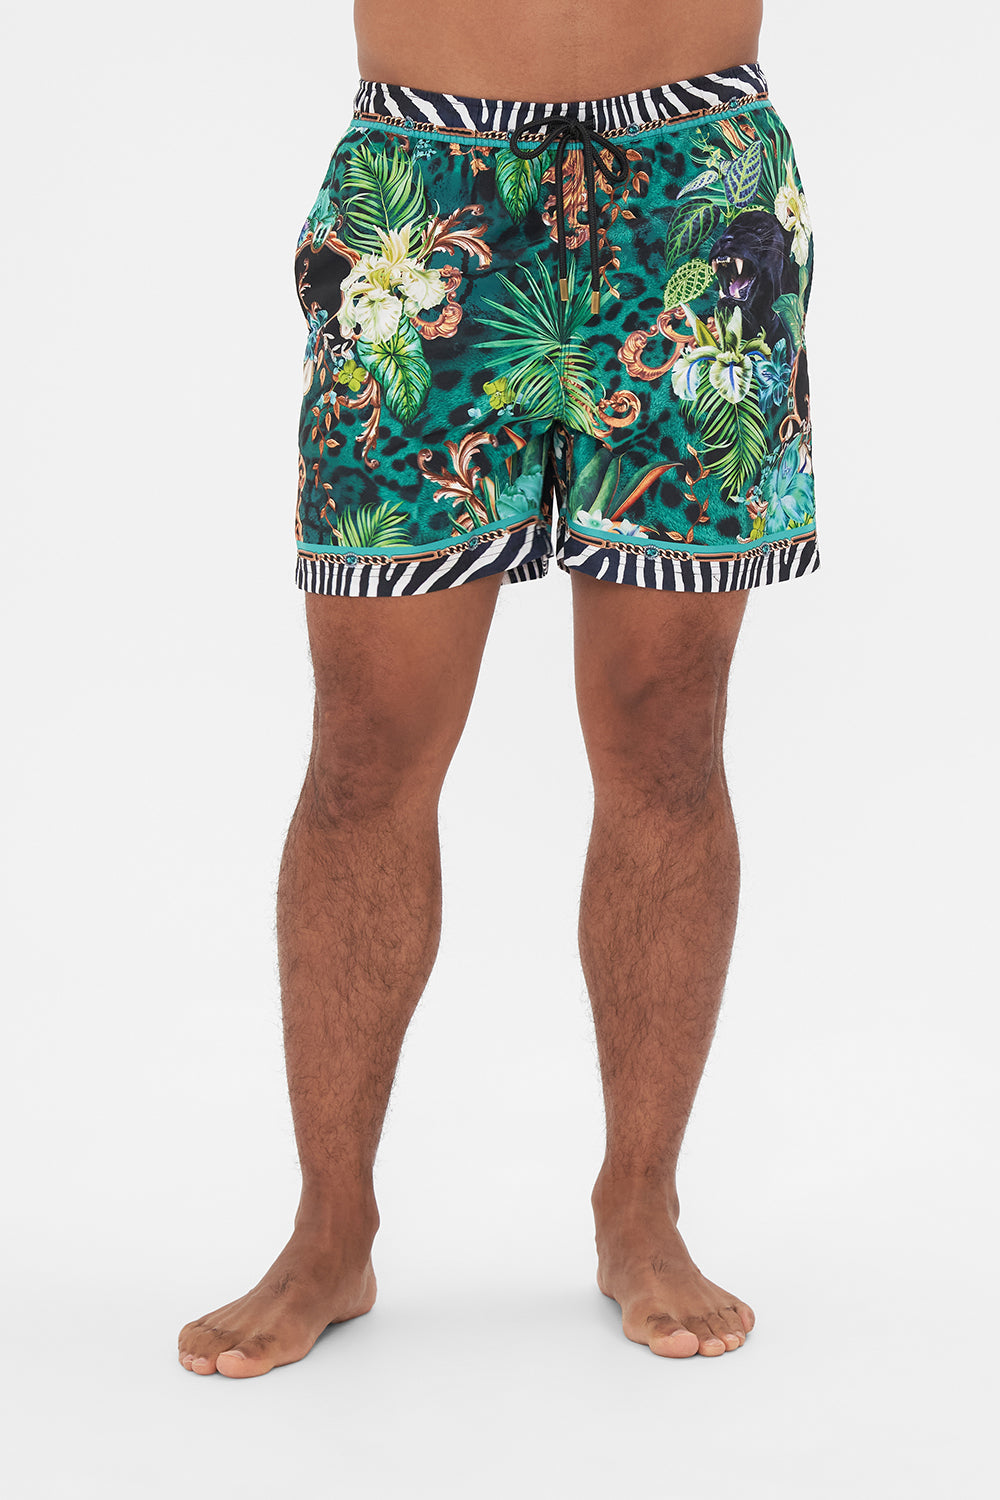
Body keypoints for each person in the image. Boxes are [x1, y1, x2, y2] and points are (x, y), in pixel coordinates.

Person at [179, 0, 817, 1377]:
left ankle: (640, 1205)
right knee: (365, 746)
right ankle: (330, 1227)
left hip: (699, 187)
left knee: (667, 733)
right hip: (426, 184)